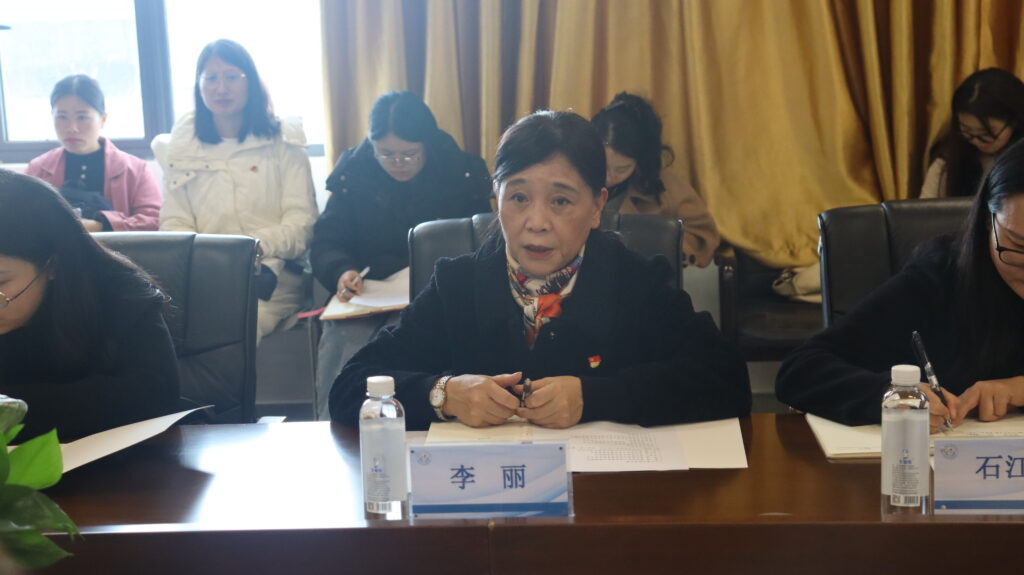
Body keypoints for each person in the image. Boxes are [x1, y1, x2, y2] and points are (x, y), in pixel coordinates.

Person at [328, 110, 751, 430]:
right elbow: (349, 388)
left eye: (561, 201)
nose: (536, 222)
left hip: (603, 500)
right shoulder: (457, 284)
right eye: (518, 198)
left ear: (597, 207)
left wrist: (593, 397)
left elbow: (727, 380)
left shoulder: (634, 281)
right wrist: (442, 394)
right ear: (497, 197)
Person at [777, 138, 1024, 432]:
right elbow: (801, 370)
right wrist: (890, 395)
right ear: (987, 221)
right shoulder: (941, 276)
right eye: (1019, 245)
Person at [310, 91, 492, 419]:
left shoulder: (459, 173)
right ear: (371, 145)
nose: (398, 163)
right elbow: (326, 240)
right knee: (342, 340)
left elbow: (482, 243)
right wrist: (341, 270)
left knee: (405, 346)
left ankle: (402, 427)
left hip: (434, 295)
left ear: (427, 143)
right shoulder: (354, 173)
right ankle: (334, 427)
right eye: (386, 154)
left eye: (409, 154)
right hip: (368, 294)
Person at [153, 39, 318, 342]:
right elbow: (174, 224)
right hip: (205, 277)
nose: (221, 88)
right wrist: (210, 258)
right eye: (211, 78)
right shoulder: (181, 148)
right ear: (199, 86)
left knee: (232, 325)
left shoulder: (285, 143)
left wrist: (252, 248)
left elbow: (301, 225)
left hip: (272, 275)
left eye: (231, 77)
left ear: (250, 82)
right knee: (161, 327)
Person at [0, 169, 180, 440]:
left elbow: (154, 397)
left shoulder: (120, 294)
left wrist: (14, 407)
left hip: (119, 459)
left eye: (1, 282)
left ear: (52, 264)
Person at [591, 92, 720, 268]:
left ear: (639, 161)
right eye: (603, 165)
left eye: (621, 169)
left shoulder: (665, 187)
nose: (609, 177)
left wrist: (664, 249)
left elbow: (702, 234)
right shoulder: (577, 179)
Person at [25, 75, 161, 232]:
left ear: (103, 119)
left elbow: (153, 220)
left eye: (82, 117)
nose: (72, 128)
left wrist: (99, 226)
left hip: (116, 248)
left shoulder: (135, 170)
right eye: (62, 117)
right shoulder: (37, 169)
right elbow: (18, 217)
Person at [921, 68, 1024, 198]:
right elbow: (926, 208)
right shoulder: (947, 163)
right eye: (967, 130)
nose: (976, 140)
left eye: (986, 133)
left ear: (1015, 121)